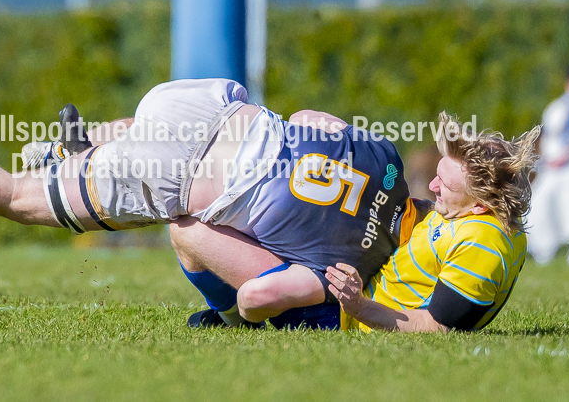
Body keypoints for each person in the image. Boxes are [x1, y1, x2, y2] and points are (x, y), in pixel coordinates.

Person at [0, 78, 414, 328]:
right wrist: (315, 300)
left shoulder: (388, 158)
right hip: (182, 171)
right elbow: (257, 295)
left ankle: (88, 154)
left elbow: (309, 116)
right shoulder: (342, 270)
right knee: (17, 196)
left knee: (159, 149)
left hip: (210, 100)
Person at [171, 112, 539, 332]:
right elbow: (429, 233)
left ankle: (235, 321)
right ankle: (236, 314)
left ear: (478, 206)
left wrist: (357, 305)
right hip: (357, 277)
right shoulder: (478, 220)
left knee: (187, 231)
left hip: (339, 314)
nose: (432, 185)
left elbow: (437, 327)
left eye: (445, 185)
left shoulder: (481, 247)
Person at [527, 65, 569, 265]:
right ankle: (542, 249)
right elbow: (551, 149)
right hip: (556, 171)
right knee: (538, 197)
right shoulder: (557, 110)